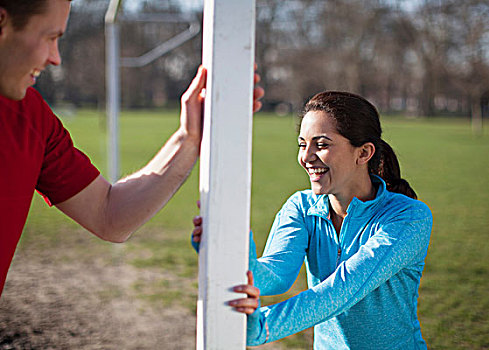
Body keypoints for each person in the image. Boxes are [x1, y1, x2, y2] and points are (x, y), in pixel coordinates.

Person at [0, 0, 263, 297]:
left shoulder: (30, 117)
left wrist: (189, 138)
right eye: (50, 37)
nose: (55, 58)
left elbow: (108, 214)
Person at [192, 91, 432, 348]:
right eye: (302, 144)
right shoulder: (301, 207)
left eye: (322, 144)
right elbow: (275, 275)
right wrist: (231, 247)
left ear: (363, 153)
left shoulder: (409, 217)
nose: (306, 157)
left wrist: (262, 327)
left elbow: (342, 290)